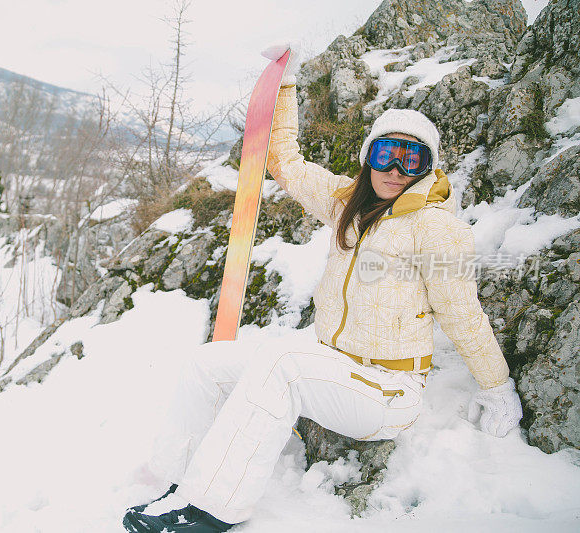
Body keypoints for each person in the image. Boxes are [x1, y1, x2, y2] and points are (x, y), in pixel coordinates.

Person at [122, 43, 523, 533]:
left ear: (428, 168)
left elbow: (464, 315)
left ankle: (211, 510)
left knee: (283, 363)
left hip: (387, 390)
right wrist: (285, 84)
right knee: (207, 365)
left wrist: (498, 388)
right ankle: (181, 484)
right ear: (368, 157)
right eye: (386, 153)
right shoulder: (344, 206)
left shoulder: (435, 228)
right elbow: (285, 163)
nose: (396, 170)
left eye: (411, 160)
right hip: (333, 366)